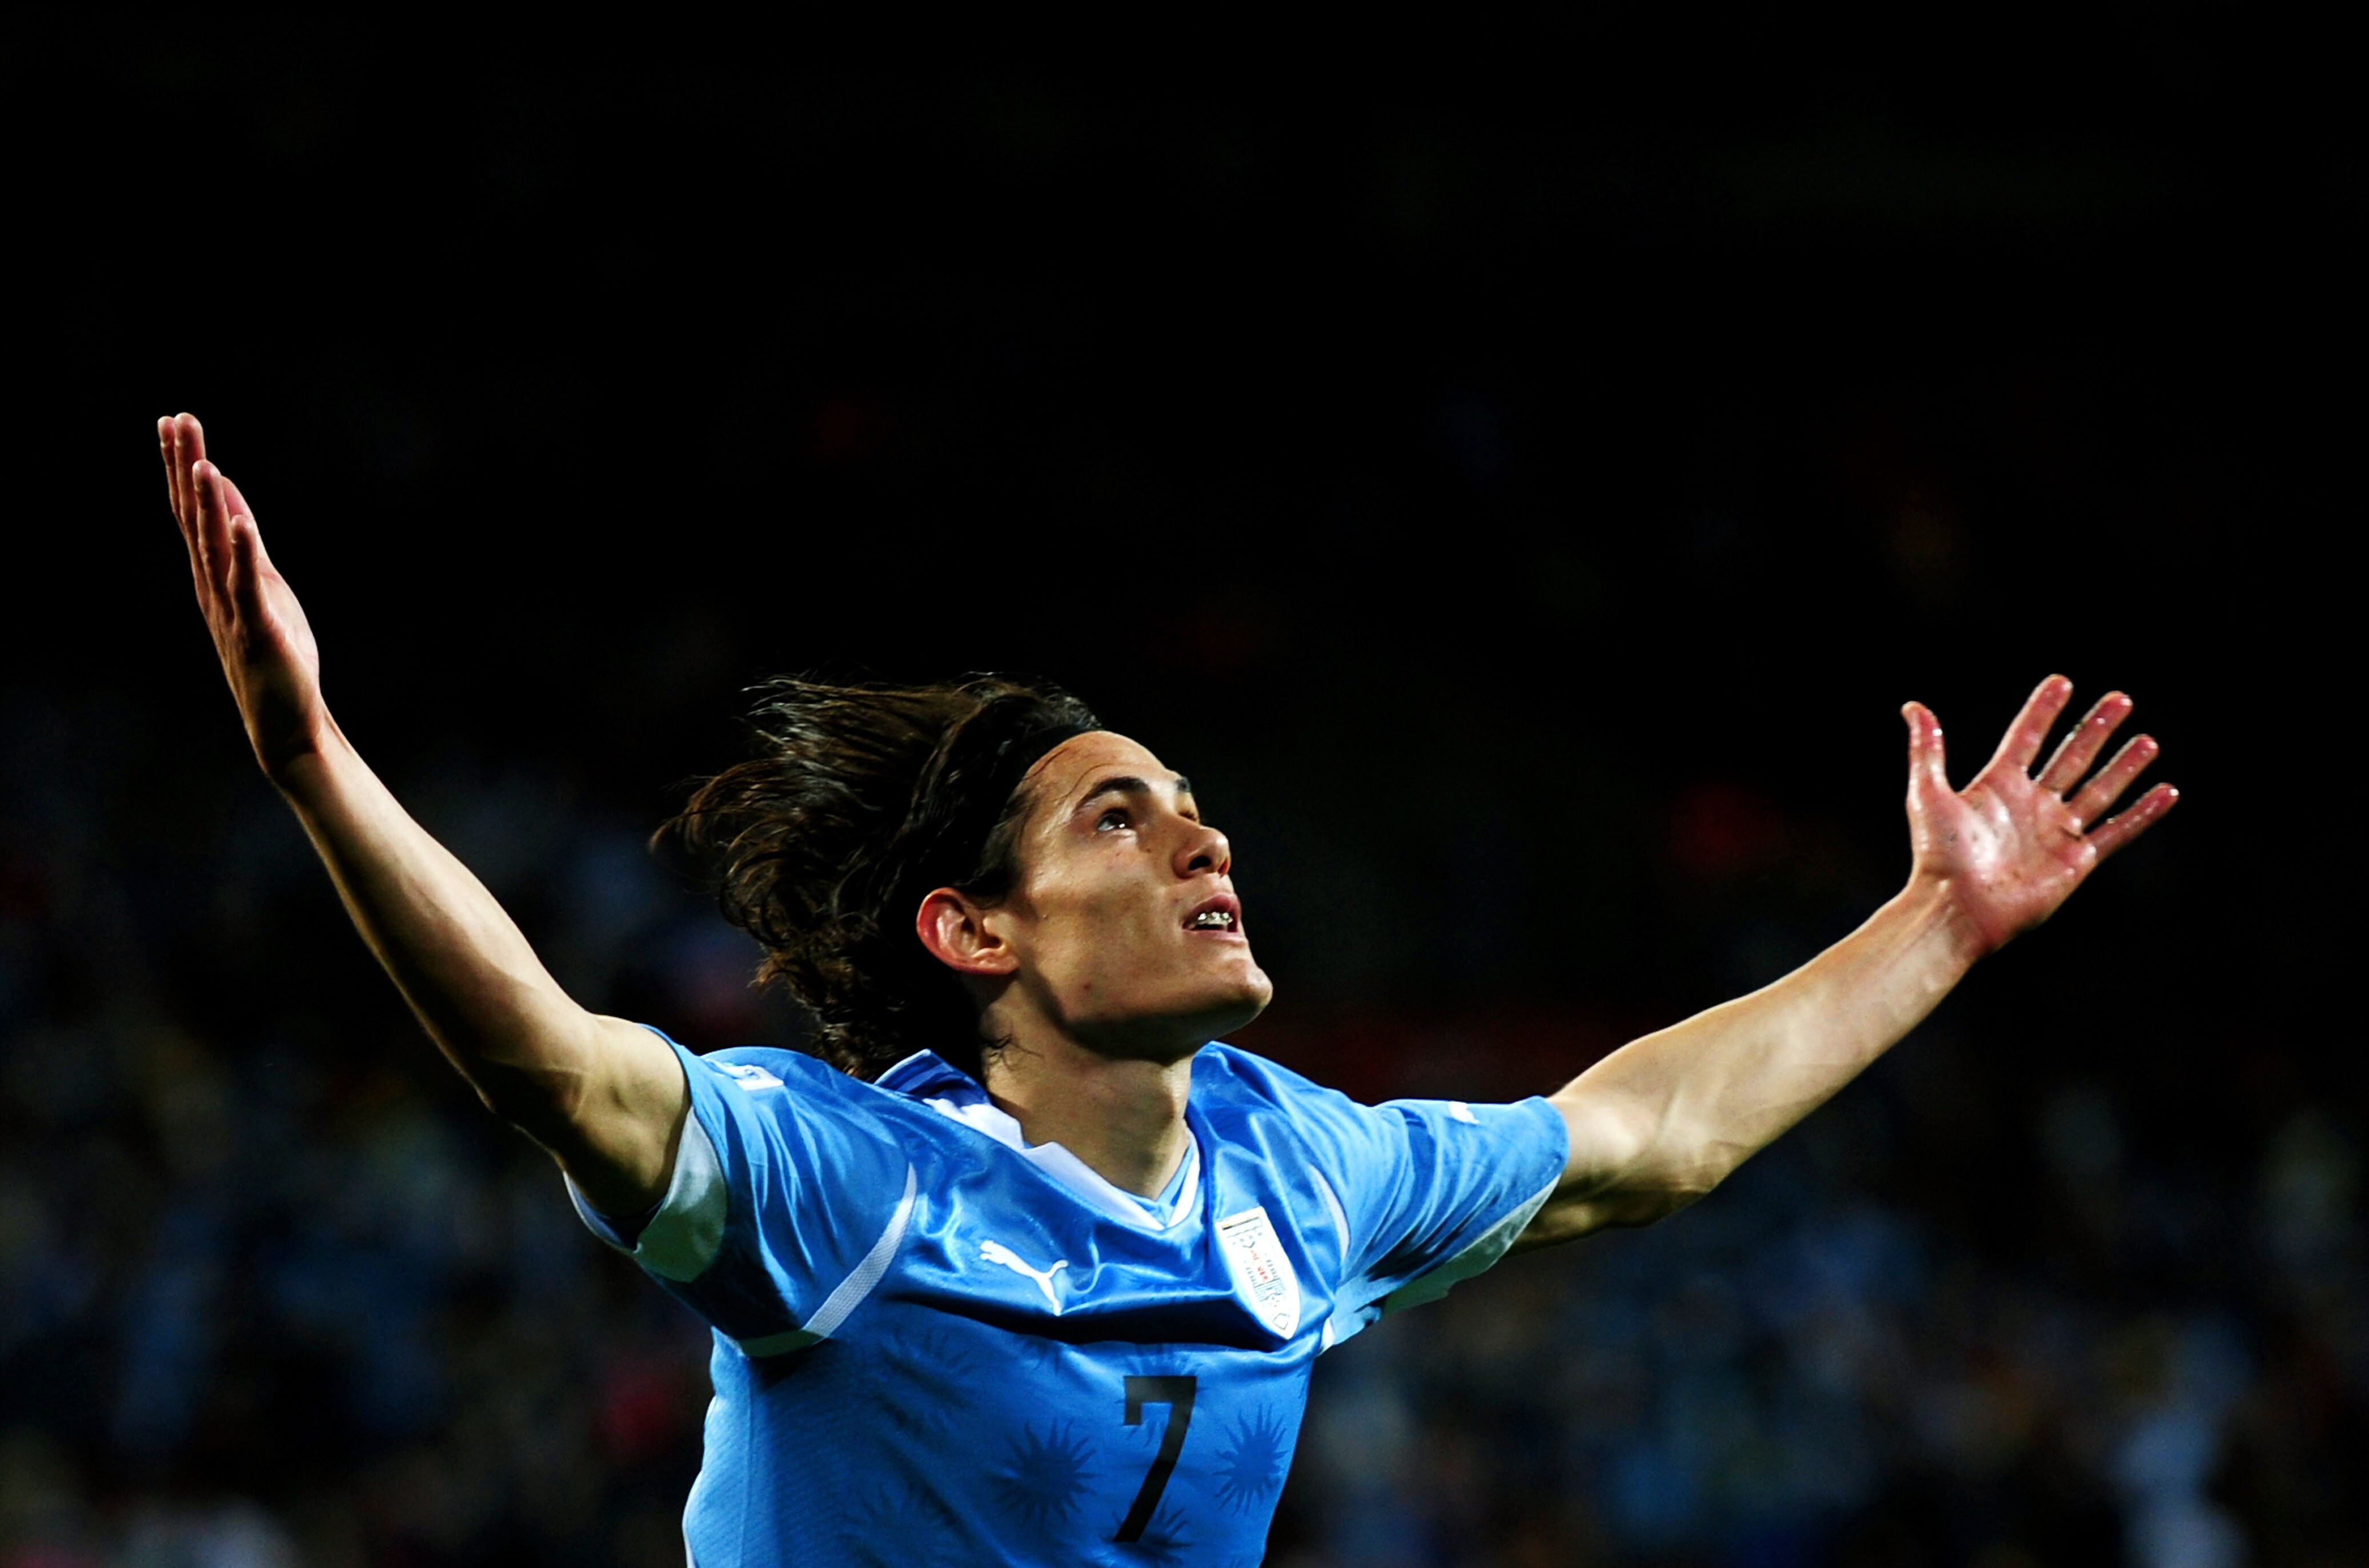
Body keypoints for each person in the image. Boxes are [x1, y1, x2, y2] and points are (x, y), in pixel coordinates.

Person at [157, 412, 2176, 1566]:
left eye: (1197, 805)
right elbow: (551, 1066)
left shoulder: (1299, 1176)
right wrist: (313, 761)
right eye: (1120, 820)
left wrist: (1941, 920)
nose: (1204, 842)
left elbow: (1646, 1137)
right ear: (979, 936)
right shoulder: (849, 1193)